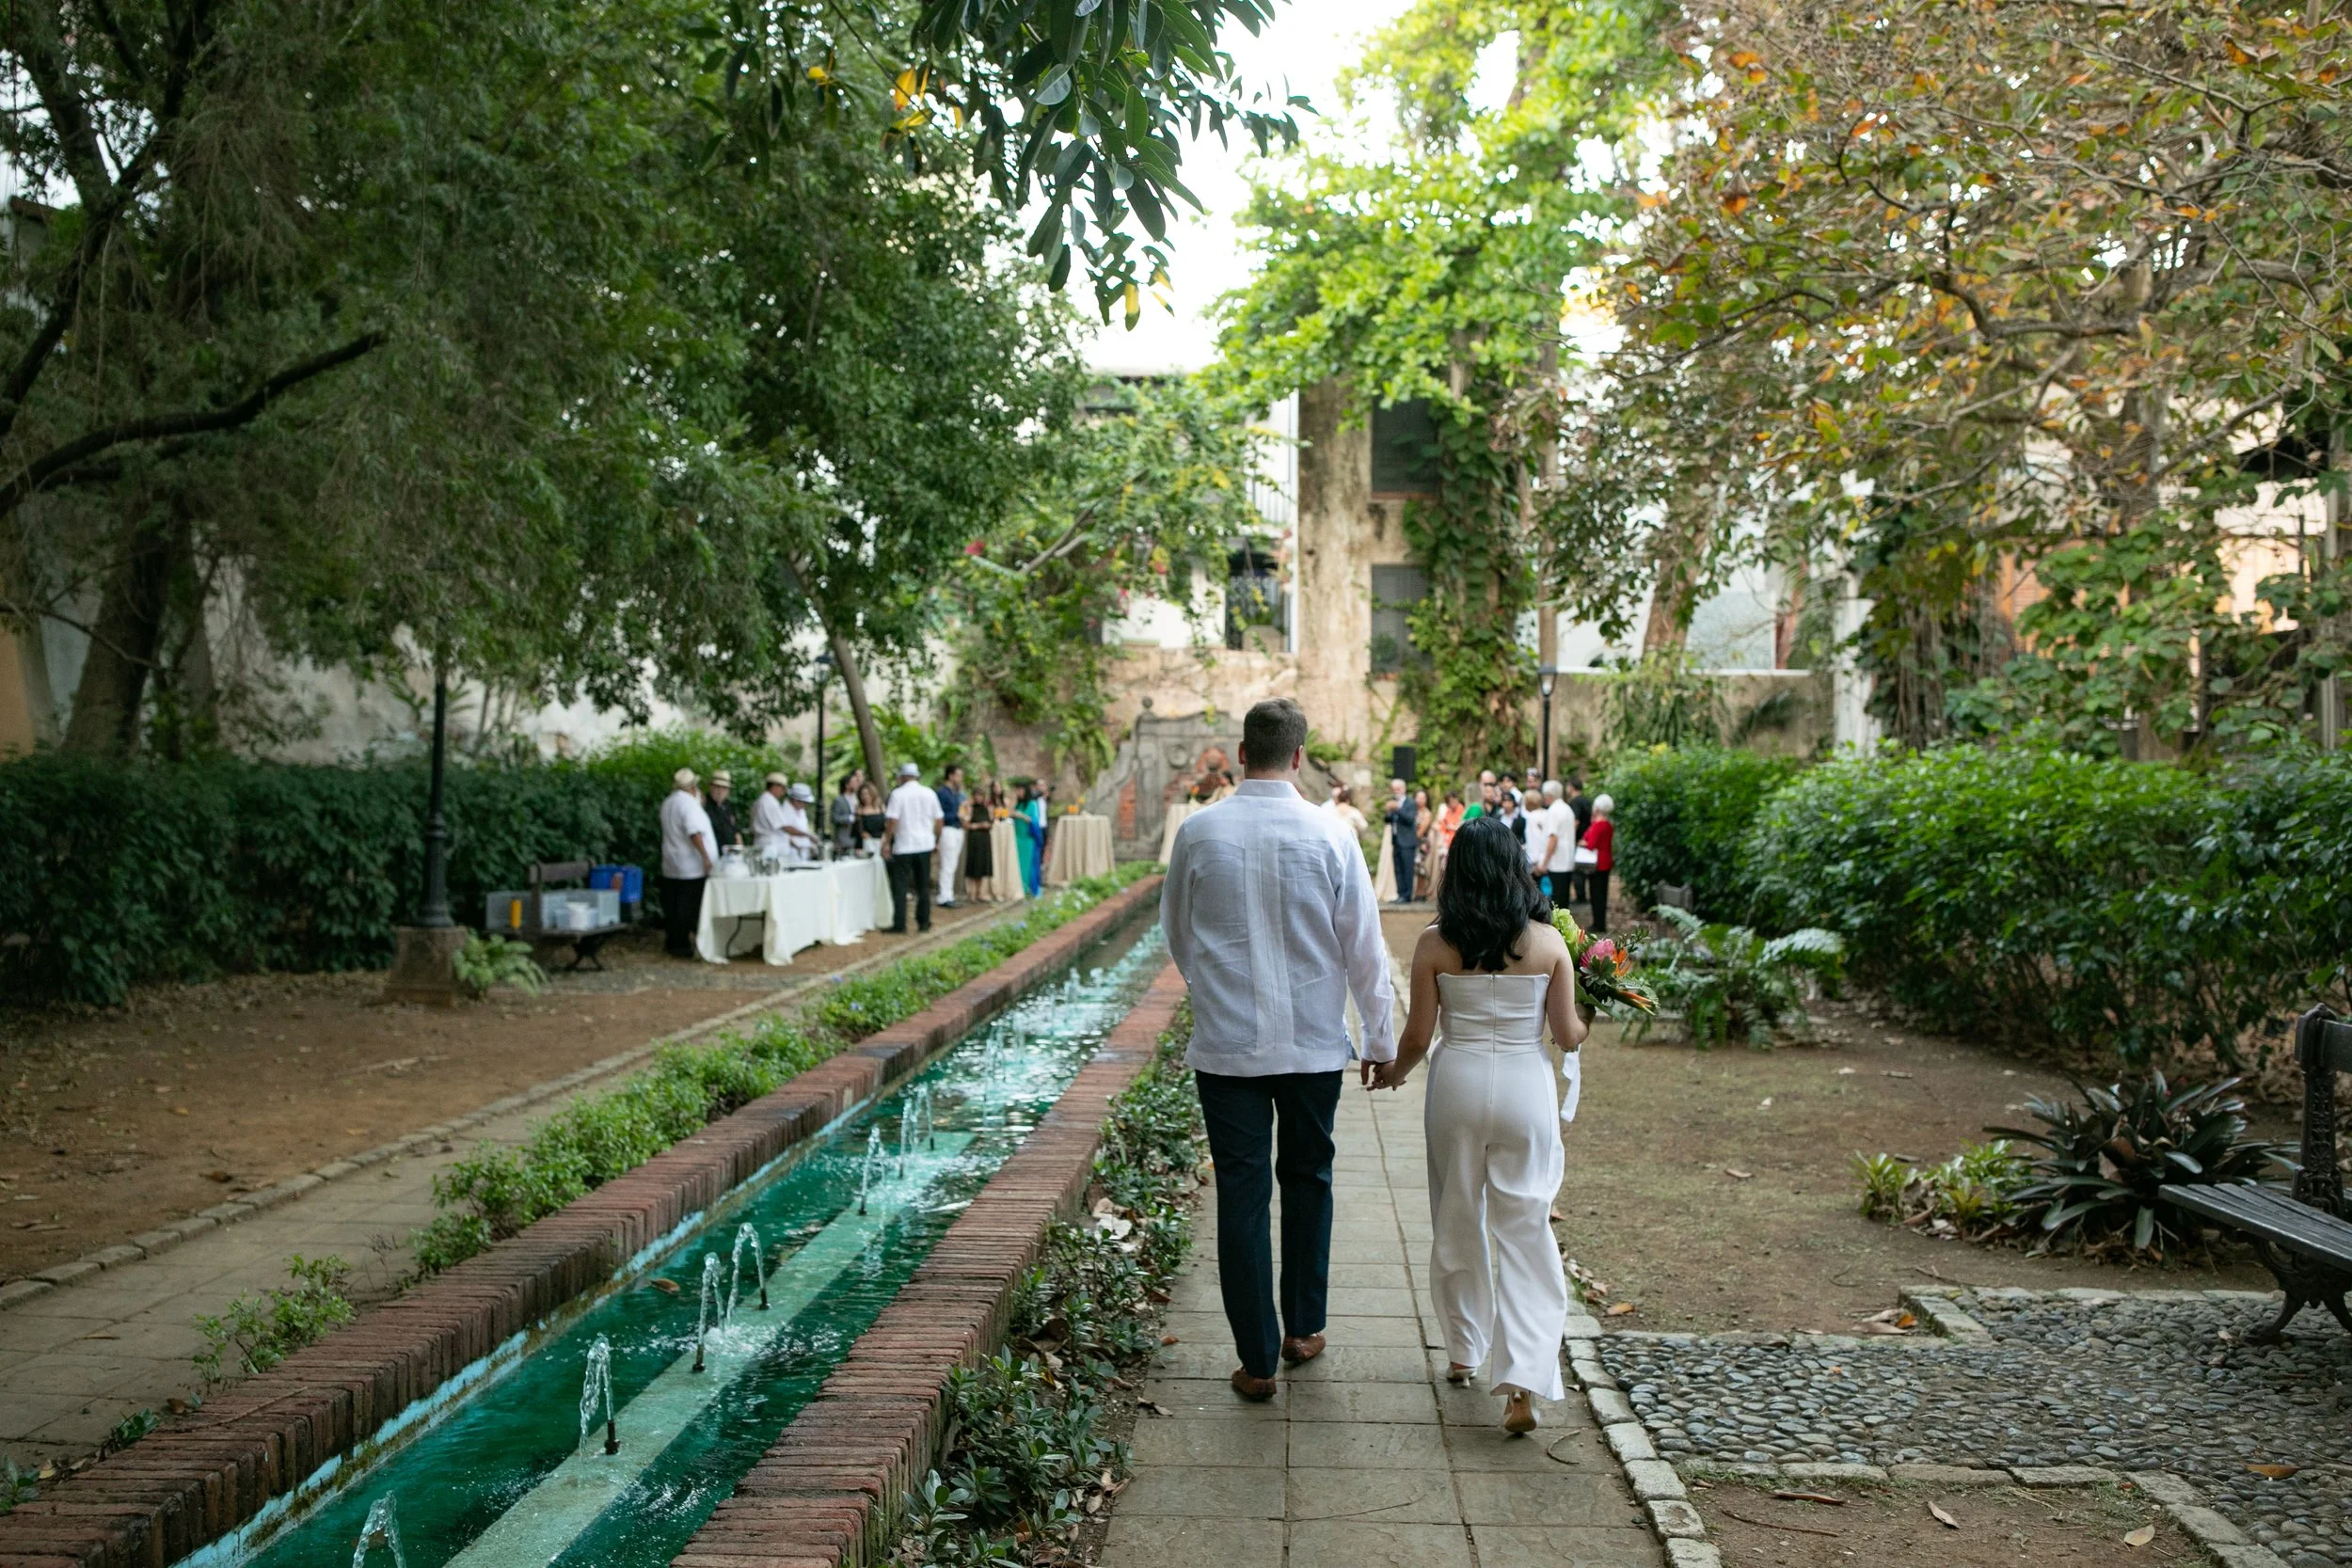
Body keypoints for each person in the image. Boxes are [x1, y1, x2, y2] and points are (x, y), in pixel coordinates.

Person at [1161, 697, 1397, 1401]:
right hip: (1314, 1046)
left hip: (1228, 1048)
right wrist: (1380, 1038)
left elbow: (1177, 931)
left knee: (1241, 1194)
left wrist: (1216, 988)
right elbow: (1365, 947)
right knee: (1309, 1180)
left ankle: (1258, 1359)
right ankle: (1304, 1327)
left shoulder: (1198, 833)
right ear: (1299, 756)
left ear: (1242, 752)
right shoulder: (1330, 834)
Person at [1369, 815, 1585, 1433]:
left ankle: (1464, 1349)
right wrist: (1589, 1014)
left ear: (1458, 871)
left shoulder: (1436, 943)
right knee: (1526, 1228)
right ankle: (1522, 1383)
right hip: (1524, 1085)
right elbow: (1566, 1034)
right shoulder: (1548, 945)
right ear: (1516, 867)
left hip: (1457, 1081)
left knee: (1458, 1212)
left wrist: (1390, 1072)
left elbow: (1418, 1035)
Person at [659, 768, 716, 958]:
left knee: (673, 905)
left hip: (672, 862)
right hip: (690, 865)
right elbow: (694, 832)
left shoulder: (668, 802)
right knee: (688, 906)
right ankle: (682, 944)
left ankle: (674, 941)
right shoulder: (689, 805)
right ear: (692, 787)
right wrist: (706, 858)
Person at [883, 762, 944, 934]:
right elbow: (939, 820)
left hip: (904, 845)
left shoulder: (897, 794)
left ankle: (900, 923)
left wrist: (887, 841)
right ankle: (924, 922)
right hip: (924, 844)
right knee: (923, 885)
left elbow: (892, 820)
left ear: (902, 777)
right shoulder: (929, 793)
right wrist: (936, 840)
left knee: (900, 886)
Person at [751, 773, 819, 863]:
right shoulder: (770, 802)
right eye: (782, 788)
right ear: (775, 786)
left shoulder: (765, 800)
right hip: (768, 845)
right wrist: (808, 835)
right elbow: (784, 827)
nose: (783, 792)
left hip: (767, 844)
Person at [934, 764, 968, 910]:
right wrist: (956, 815)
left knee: (952, 863)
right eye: (958, 775)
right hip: (948, 829)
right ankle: (944, 896)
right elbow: (938, 814)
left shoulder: (957, 794)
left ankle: (949, 894)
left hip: (958, 829)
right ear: (951, 776)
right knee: (947, 864)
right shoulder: (942, 793)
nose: (960, 779)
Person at [1581, 794, 1615, 932]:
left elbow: (1590, 844)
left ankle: (1598, 923)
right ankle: (1600, 922)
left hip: (1597, 863)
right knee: (1602, 893)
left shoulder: (1597, 825)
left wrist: (1583, 842)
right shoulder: (1608, 824)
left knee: (1596, 894)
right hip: (1606, 860)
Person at [1384, 779, 1419, 906]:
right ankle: (1400, 894)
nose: (1396, 792)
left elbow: (1410, 819)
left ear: (1403, 789)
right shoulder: (1394, 803)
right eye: (1394, 789)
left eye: (1398, 789)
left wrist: (1397, 808)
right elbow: (1387, 820)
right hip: (1396, 840)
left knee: (1407, 868)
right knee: (1398, 869)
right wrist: (1388, 810)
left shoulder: (1410, 803)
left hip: (1408, 841)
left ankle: (1407, 895)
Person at [961, 787, 996, 903]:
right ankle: (971, 893)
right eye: (976, 795)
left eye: (980, 795)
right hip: (974, 839)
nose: (978, 797)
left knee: (982, 866)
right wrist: (979, 825)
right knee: (973, 866)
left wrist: (988, 823)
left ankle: (979, 892)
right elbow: (966, 825)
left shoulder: (987, 809)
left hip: (984, 839)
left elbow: (991, 822)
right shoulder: (970, 808)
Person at [1014, 782, 1048, 896]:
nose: (1018, 792)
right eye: (1017, 790)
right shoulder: (1018, 805)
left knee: (1029, 865)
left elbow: (1034, 821)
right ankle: (1020, 887)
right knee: (1019, 864)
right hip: (1018, 838)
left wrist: (1022, 816)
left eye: (1020, 790)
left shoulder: (1032, 804)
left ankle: (1029, 888)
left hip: (1028, 839)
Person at [1565, 776, 1594, 903]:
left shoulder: (1575, 802)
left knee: (1577, 870)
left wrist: (1568, 835)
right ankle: (1583, 895)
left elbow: (1575, 821)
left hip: (1578, 839)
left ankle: (1580, 896)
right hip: (1587, 837)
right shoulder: (1587, 801)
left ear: (1571, 786)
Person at [703, 769, 741, 851]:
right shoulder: (704, 804)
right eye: (717, 787)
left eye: (724, 788)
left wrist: (740, 849)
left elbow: (735, 830)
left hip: (730, 853)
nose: (720, 792)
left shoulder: (727, 804)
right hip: (713, 852)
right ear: (711, 787)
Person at [832, 772, 863, 857]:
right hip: (844, 841)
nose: (857, 784)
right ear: (847, 785)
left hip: (857, 840)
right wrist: (851, 818)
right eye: (854, 782)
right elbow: (834, 818)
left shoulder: (859, 798)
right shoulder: (839, 800)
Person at [855, 778, 886, 856]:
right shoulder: (859, 810)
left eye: (867, 794)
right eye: (862, 794)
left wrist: (884, 837)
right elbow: (857, 830)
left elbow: (886, 825)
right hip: (866, 844)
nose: (865, 797)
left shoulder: (881, 808)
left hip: (881, 842)